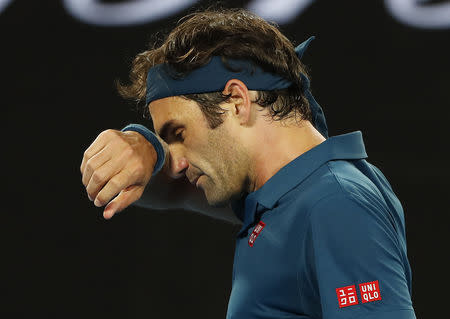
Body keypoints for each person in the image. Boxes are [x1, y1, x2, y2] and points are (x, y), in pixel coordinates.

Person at [80, 8, 416, 319]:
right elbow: (169, 192)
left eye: (178, 132)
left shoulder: (335, 204)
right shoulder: (293, 194)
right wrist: (147, 146)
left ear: (238, 101)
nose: (178, 162)